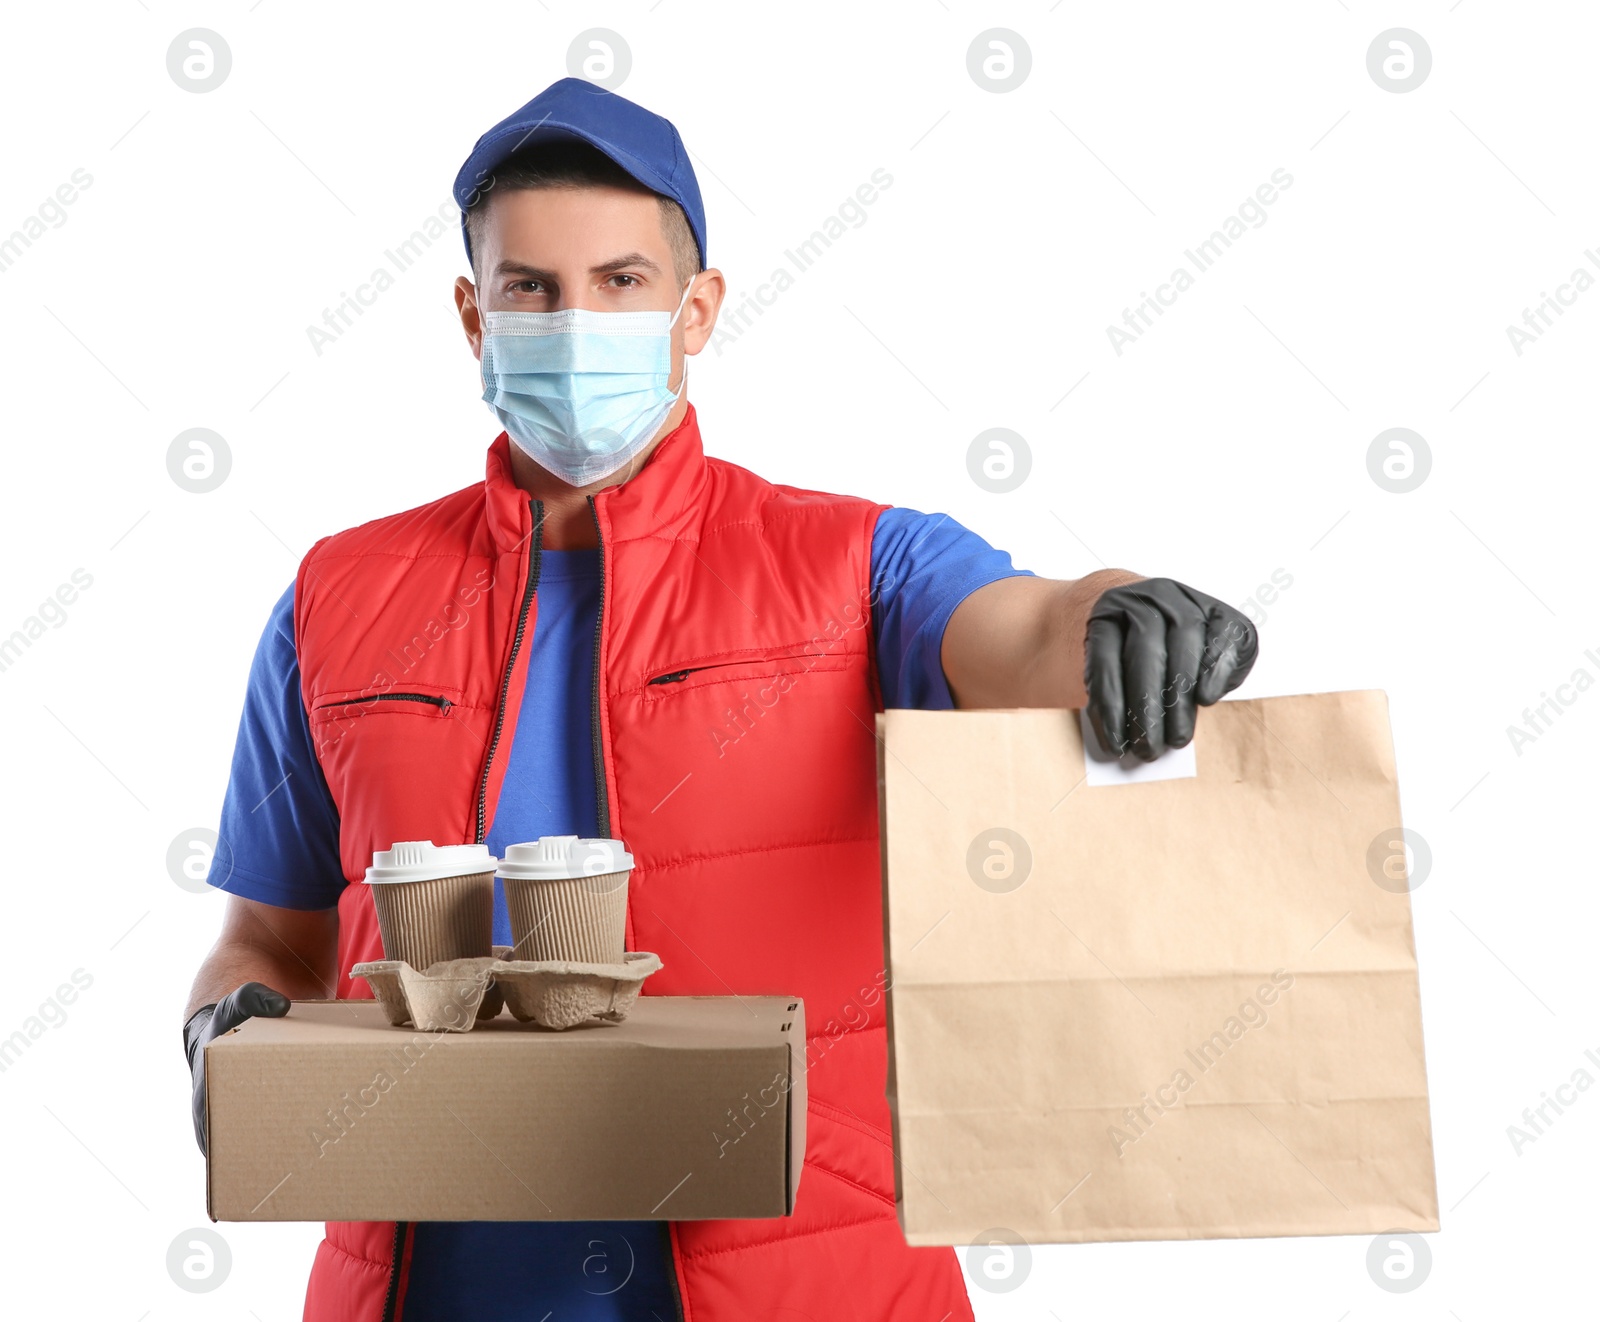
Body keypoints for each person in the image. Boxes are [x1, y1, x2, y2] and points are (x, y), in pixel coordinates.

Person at [182, 77, 1258, 1322]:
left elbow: (1023, 628)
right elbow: (263, 942)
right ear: (473, 315)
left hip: (814, 1285)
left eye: (622, 282)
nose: (573, 319)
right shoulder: (337, 598)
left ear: (697, 311)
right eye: (530, 288)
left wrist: (1121, 607)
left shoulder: (856, 567)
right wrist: (218, 1028)